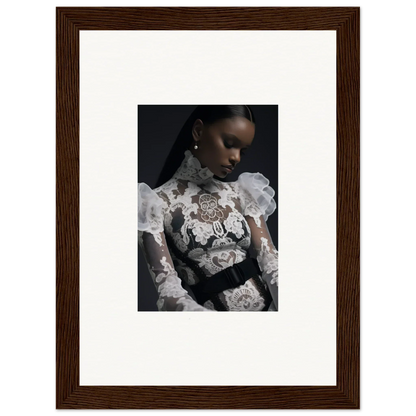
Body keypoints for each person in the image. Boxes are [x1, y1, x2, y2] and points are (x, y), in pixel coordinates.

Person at [138, 105, 278, 311]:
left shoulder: (242, 192)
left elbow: (270, 259)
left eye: (243, 151)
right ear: (198, 131)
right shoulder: (154, 202)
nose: (236, 157)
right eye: (229, 144)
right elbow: (167, 288)